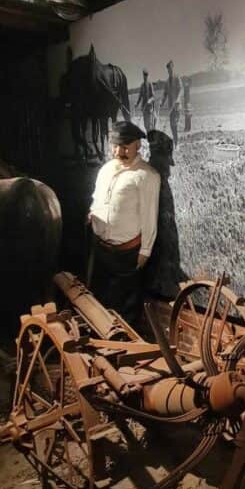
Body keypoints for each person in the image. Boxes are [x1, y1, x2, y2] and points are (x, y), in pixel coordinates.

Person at [88, 120, 160, 327]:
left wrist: (144, 251)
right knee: (101, 301)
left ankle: (126, 347)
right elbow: (97, 197)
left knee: (126, 306)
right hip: (101, 248)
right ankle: (103, 342)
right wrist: (92, 213)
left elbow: (149, 216)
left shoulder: (147, 176)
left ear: (138, 145)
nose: (119, 151)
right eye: (115, 145)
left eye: (125, 146)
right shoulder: (106, 169)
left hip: (127, 253)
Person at [143, 130, 185, 299]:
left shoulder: (159, 177)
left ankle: (172, 273)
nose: (169, 168)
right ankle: (163, 281)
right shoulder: (152, 178)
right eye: (166, 162)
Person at [160, 60, 182, 145]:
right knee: (172, 126)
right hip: (170, 108)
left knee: (174, 124)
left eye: (171, 68)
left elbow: (180, 89)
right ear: (167, 70)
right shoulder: (166, 82)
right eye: (168, 69)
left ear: (173, 68)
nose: (170, 70)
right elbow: (165, 94)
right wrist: (162, 102)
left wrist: (178, 99)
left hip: (176, 107)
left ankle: (176, 143)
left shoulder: (177, 78)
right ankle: (175, 140)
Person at [135, 69, 156, 134]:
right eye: (144, 75)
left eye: (146, 75)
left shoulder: (150, 84)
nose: (145, 76)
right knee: (145, 125)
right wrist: (137, 104)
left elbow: (153, 96)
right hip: (144, 108)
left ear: (148, 75)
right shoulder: (142, 85)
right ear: (143, 75)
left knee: (149, 124)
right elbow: (140, 97)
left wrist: (150, 100)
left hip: (149, 108)